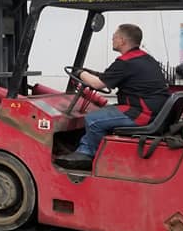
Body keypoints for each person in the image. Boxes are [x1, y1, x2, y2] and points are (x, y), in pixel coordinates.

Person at [56, 24, 170, 170]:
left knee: (93, 119)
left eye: (114, 37)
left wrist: (79, 73)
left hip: (141, 113)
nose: (112, 40)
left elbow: (97, 84)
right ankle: (93, 147)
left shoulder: (125, 62)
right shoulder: (145, 58)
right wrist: (92, 74)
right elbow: (108, 77)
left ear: (122, 40)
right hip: (154, 111)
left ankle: (85, 155)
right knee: (103, 112)